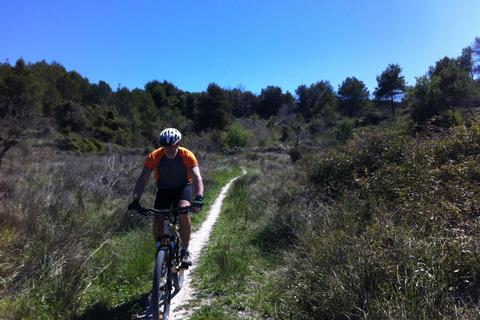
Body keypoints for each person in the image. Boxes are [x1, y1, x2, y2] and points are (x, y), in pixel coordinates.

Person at [128, 128, 204, 267]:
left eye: (172, 146)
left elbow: (196, 177)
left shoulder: (187, 155)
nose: (169, 150)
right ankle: (160, 252)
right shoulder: (154, 156)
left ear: (178, 144)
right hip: (164, 190)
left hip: (183, 187)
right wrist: (135, 201)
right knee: (158, 219)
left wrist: (199, 197)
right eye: (165, 147)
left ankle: (185, 250)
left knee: (183, 212)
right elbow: (142, 179)